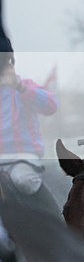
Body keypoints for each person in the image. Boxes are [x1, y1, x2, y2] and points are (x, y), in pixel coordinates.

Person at [0, 45, 60, 215]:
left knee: (23, 180)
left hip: (23, 158)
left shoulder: (24, 86)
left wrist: (19, 86)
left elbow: (51, 105)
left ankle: (57, 220)